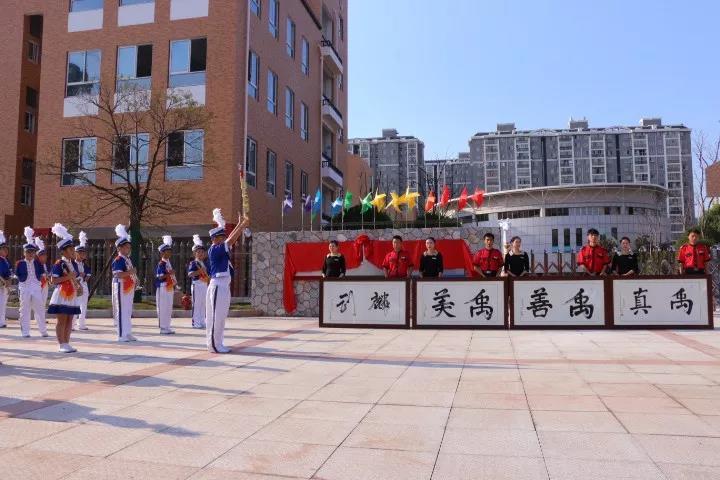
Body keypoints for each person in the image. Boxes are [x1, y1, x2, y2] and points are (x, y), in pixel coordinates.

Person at [206, 209, 250, 353]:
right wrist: (242, 226)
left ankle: (218, 343)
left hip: (223, 285)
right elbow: (230, 240)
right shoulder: (215, 249)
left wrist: (239, 224)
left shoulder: (220, 248)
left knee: (221, 317)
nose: (223, 238)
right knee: (216, 318)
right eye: (220, 237)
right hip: (218, 285)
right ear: (214, 238)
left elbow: (229, 239)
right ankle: (213, 345)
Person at [47, 223, 81, 353]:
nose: (74, 252)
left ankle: (67, 342)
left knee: (70, 319)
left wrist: (77, 285)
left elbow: (74, 277)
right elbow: (53, 280)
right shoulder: (59, 263)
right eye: (71, 250)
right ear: (65, 251)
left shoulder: (73, 264)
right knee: (62, 320)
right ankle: (61, 343)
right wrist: (68, 277)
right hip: (62, 294)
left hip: (71, 294)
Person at [16, 228, 48, 338]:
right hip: (24, 287)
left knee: (39, 308)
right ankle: (25, 331)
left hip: (36, 287)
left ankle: (43, 331)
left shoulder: (38, 263)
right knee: (24, 309)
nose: (30, 254)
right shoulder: (20, 263)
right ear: (24, 253)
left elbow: (42, 273)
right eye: (28, 252)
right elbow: (18, 274)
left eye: (32, 252)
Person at [112, 224, 137, 342]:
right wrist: (130, 272)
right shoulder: (118, 259)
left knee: (128, 310)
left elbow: (129, 272)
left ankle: (128, 332)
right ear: (119, 248)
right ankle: (121, 334)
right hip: (120, 285)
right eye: (126, 247)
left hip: (128, 286)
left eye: (129, 247)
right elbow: (117, 274)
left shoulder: (128, 259)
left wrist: (134, 277)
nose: (128, 249)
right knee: (122, 310)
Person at [155, 235, 176, 335]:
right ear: (162, 253)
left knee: (168, 307)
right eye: (167, 251)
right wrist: (170, 273)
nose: (169, 253)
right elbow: (160, 276)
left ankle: (167, 326)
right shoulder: (161, 264)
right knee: (163, 307)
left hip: (169, 287)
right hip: (162, 287)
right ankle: (163, 327)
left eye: (170, 251)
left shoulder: (168, 263)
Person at [188, 235, 209, 329]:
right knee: (196, 304)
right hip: (197, 284)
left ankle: (202, 321)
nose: (200, 254)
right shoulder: (193, 263)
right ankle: (195, 322)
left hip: (204, 284)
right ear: (195, 254)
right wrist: (199, 271)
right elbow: (190, 274)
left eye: (202, 252)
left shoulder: (204, 263)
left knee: (203, 303)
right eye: (198, 252)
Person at [73, 231, 91, 330]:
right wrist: (79, 275)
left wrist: (84, 276)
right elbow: (72, 274)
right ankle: (72, 323)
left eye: (84, 253)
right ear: (76, 253)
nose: (83, 254)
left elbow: (88, 276)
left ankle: (81, 323)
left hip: (83, 284)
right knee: (76, 304)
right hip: (76, 285)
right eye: (80, 252)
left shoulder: (85, 265)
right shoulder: (73, 264)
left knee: (84, 304)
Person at [0, 231, 10, 329]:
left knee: (3, 304)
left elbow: (8, 273)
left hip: (4, 285)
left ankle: (2, 321)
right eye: (4, 249)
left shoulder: (5, 260)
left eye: (6, 249)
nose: (6, 251)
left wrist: (8, 281)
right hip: (1, 284)